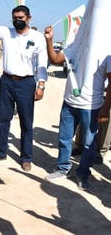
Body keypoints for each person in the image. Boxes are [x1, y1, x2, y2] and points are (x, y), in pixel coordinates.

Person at [0, 0, 48, 171]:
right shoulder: (6, 33)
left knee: (26, 123)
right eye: (14, 18)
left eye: (20, 17)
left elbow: (42, 63)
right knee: (4, 119)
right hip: (7, 82)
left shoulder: (37, 38)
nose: (17, 20)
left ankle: (26, 157)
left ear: (28, 18)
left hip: (26, 83)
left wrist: (41, 85)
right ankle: (0, 151)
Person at [44, 26, 109, 191]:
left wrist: (105, 108)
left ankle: (83, 174)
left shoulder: (106, 52)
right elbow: (55, 60)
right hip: (69, 103)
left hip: (92, 107)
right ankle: (62, 168)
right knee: (64, 138)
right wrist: (49, 40)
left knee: (89, 144)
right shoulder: (75, 47)